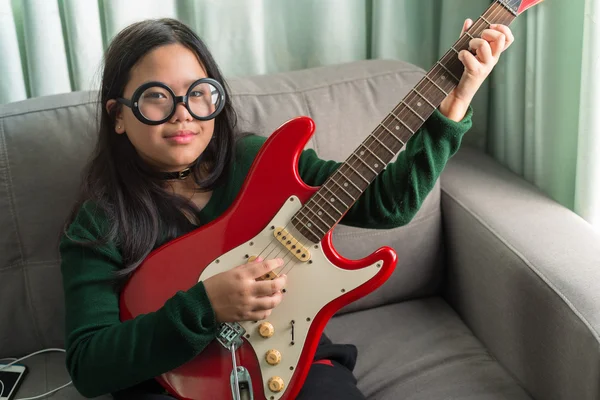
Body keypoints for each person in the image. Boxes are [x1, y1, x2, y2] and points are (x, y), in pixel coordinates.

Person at [59, 17, 514, 400]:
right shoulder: (99, 222)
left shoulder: (261, 161)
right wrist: (206, 306)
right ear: (118, 114)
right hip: (167, 385)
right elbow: (90, 365)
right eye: (157, 96)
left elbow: (388, 203)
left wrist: (454, 104)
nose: (184, 113)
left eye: (199, 92)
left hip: (294, 357)